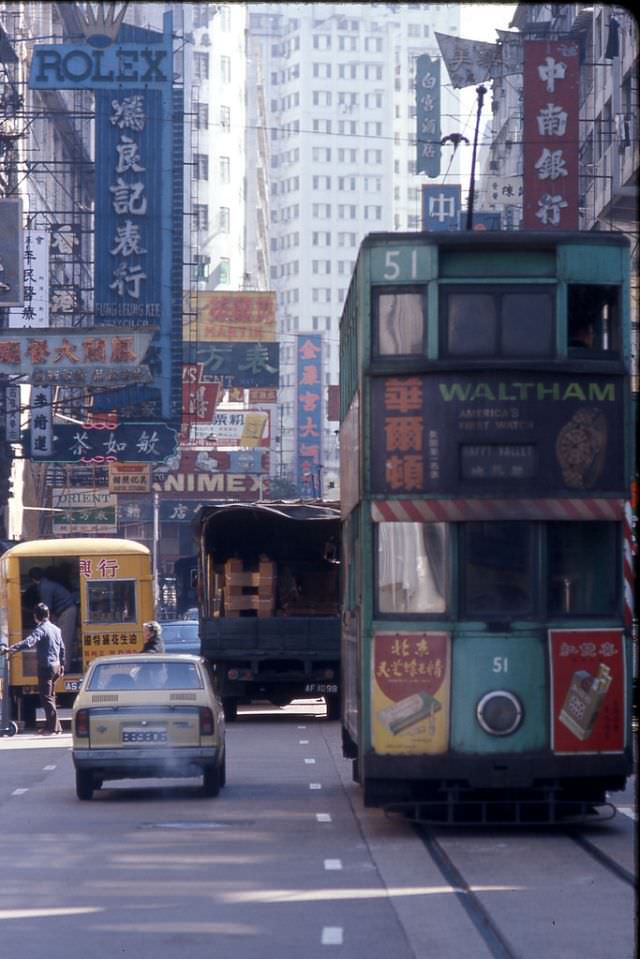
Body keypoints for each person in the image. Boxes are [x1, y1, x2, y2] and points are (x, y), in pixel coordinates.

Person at [1, 603, 65, 734]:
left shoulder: (40, 629)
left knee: (46, 698)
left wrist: (10, 648)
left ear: (37, 616)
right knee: (51, 697)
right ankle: (56, 727)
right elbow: (62, 648)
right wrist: (62, 665)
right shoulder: (56, 629)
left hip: (46, 667)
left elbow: (29, 642)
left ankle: (52, 728)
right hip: (56, 666)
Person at [28, 567, 78, 666]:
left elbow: (47, 609)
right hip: (64, 611)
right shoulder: (46, 584)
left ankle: (64, 668)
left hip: (67, 611)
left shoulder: (44, 587)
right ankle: (61, 666)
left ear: (32, 579)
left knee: (64, 640)